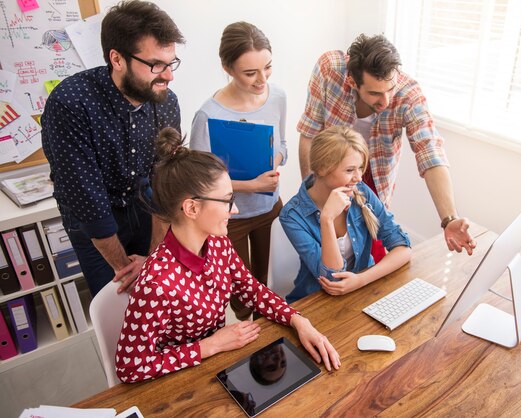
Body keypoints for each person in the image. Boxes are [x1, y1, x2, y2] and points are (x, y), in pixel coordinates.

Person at [115, 128, 340, 382]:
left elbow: (251, 290)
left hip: (218, 365)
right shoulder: (157, 283)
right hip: (178, 380)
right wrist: (209, 346)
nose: (235, 209)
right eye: (227, 200)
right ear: (191, 207)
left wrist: (299, 321)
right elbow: (129, 368)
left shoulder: (218, 242)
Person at [41, 0, 185, 296]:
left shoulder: (166, 101)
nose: (169, 76)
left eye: (170, 63)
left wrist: (152, 258)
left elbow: (164, 181)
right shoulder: (70, 104)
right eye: (156, 65)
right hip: (93, 215)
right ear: (117, 60)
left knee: (159, 291)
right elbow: (89, 204)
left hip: (143, 200)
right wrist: (125, 270)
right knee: (118, 300)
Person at [297, 34, 475, 258]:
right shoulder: (329, 70)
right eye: (374, 93)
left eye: (390, 89)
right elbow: (309, 133)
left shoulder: (409, 95)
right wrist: (312, 193)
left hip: (375, 178)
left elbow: (430, 152)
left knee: (370, 252)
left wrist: (449, 218)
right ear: (353, 82)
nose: (386, 100)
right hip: (331, 170)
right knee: (327, 245)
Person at [190, 22, 286, 321]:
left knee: (269, 282)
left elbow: (282, 143)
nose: (262, 80)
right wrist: (249, 185)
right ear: (227, 68)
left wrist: (275, 158)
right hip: (229, 219)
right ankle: (248, 337)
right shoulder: (208, 115)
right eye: (250, 73)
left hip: (270, 207)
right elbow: (199, 182)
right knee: (242, 296)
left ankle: (266, 337)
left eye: (267, 68)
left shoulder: (277, 96)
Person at [280, 126, 412, 303]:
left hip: (362, 291)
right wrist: (327, 219)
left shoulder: (361, 192)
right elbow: (332, 279)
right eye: (350, 170)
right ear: (321, 169)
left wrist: (361, 280)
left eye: (360, 168)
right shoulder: (292, 215)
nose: (358, 177)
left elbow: (403, 248)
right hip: (316, 300)